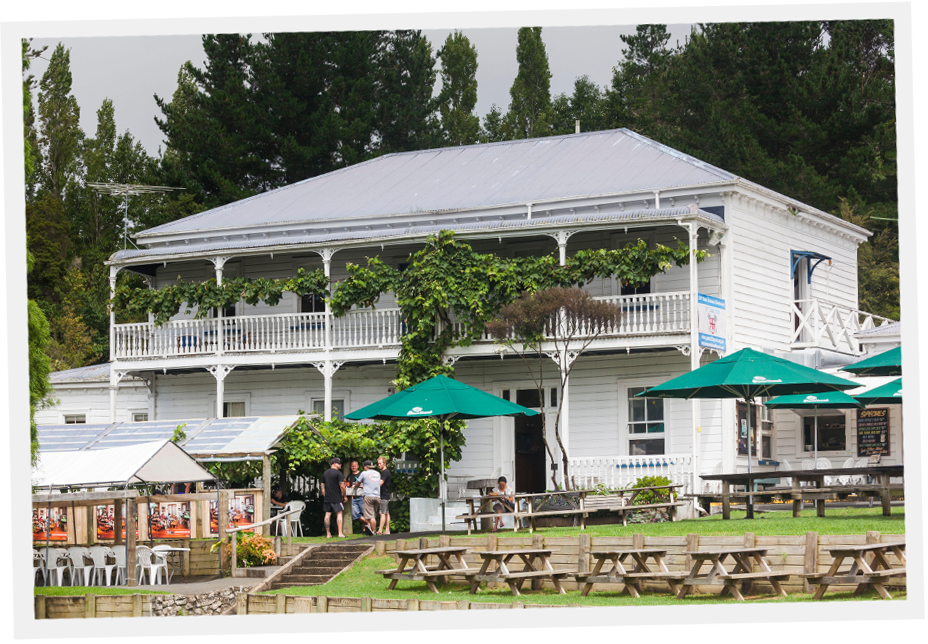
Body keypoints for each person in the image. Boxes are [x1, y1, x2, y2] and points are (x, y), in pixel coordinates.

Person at [352, 460, 381, 536]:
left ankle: (374, 531)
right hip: (377, 496)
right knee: (373, 515)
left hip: (368, 496)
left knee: (370, 516)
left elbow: (357, 483)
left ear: (366, 467)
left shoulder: (364, 473)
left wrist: (355, 486)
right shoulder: (377, 473)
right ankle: (369, 531)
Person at [321, 457, 347, 538]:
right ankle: (340, 533)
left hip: (328, 498)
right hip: (336, 497)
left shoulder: (325, 473)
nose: (340, 465)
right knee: (339, 514)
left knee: (327, 514)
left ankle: (328, 534)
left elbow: (322, 485)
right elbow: (342, 486)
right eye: (339, 463)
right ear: (334, 464)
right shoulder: (338, 473)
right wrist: (345, 496)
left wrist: (325, 495)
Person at [345, 460, 364, 525]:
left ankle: (365, 530)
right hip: (353, 498)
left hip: (362, 496)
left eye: (355, 466)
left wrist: (359, 485)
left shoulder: (362, 474)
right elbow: (348, 487)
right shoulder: (349, 476)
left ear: (358, 466)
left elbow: (366, 484)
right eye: (352, 466)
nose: (353, 467)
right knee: (355, 514)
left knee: (365, 513)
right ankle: (369, 524)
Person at [376, 456, 391, 535]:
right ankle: (387, 530)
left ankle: (380, 530)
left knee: (382, 513)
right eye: (378, 464)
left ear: (384, 463)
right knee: (386, 513)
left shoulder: (385, 472)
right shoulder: (385, 472)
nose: (379, 465)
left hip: (384, 495)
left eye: (380, 463)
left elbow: (381, 483)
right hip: (386, 494)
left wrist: (373, 485)